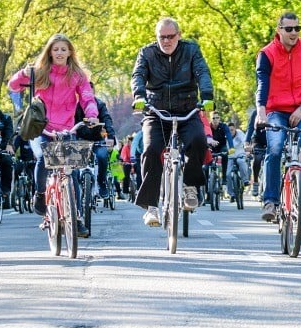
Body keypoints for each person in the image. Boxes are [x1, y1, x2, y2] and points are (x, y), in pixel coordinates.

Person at [8, 33, 99, 238]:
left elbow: (87, 97)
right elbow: (13, 86)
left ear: (69, 52)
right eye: (55, 49)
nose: (59, 53)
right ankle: (41, 195)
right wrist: (23, 72)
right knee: (42, 158)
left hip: (67, 127)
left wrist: (91, 115)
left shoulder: (77, 75)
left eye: (63, 49)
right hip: (41, 127)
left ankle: (75, 218)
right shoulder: (39, 71)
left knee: (71, 172)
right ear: (49, 51)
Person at [131, 17, 215, 227]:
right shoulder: (147, 53)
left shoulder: (191, 50)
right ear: (156, 37)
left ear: (179, 35)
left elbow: (202, 72)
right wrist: (139, 96)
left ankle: (189, 186)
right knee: (151, 150)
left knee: (198, 140)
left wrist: (207, 95)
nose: (166, 41)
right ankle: (150, 207)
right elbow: (138, 75)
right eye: (162, 37)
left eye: (171, 36)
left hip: (187, 109)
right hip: (155, 110)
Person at [255, 11, 301, 223]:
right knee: (275, 147)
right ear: (279, 30)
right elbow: (262, 84)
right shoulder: (266, 54)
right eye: (289, 29)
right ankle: (271, 202)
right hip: (276, 110)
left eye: (297, 28)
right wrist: (261, 111)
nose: (294, 33)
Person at [74, 86, 116, 198]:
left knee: (102, 156)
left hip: (97, 139)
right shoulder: (75, 105)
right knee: (74, 162)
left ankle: (101, 182)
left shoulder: (100, 105)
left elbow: (107, 119)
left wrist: (111, 136)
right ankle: (75, 187)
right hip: (81, 140)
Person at [225, 121, 250, 201]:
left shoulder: (240, 133)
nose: (231, 132)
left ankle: (245, 180)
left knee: (241, 162)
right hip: (230, 157)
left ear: (235, 129)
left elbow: (245, 142)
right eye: (229, 130)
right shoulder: (225, 136)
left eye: (232, 130)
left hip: (240, 154)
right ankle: (231, 193)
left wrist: (247, 150)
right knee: (228, 174)